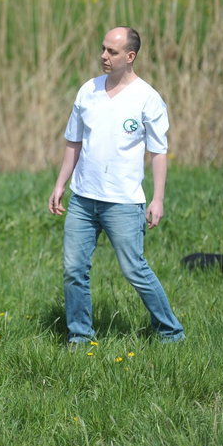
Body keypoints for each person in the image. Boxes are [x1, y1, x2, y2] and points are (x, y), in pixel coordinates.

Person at [48, 26, 185, 345]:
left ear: (130, 56)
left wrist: (158, 199)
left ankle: (170, 331)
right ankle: (80, 336)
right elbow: (73, 142)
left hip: (124, 202)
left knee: (134, 269)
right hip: (83, 201)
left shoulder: (147, 99)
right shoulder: (88, 91)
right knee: (73, 270)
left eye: (112, 51)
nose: (103, 56)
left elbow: (158, 153)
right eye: (103, 49)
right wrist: (60, 185)